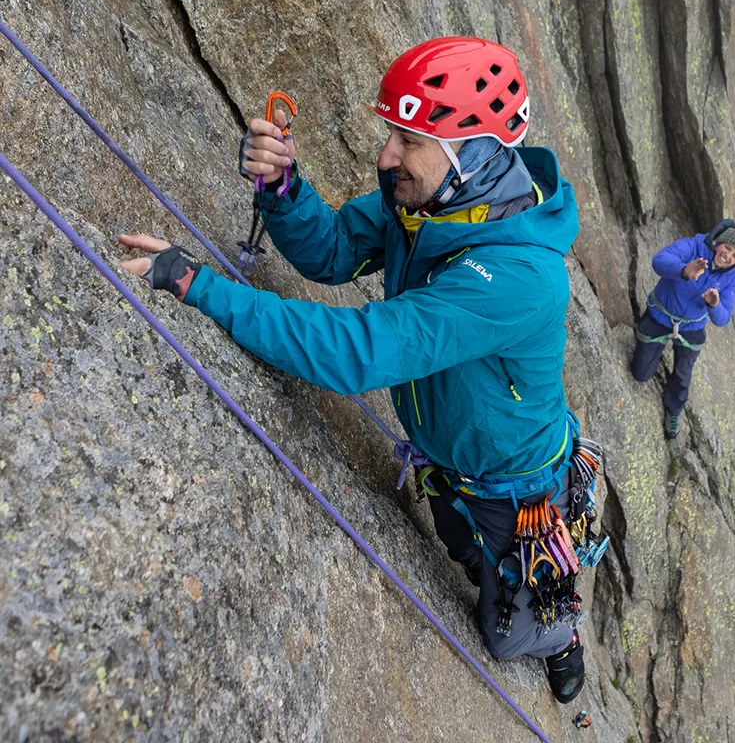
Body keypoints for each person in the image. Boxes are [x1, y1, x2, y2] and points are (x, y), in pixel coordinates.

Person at [118, 37, 589, 703]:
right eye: (392, 134)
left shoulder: (520, 278)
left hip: (512, 488)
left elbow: (356, 352)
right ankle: (494, 579)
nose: (385, 156)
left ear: (475, 154)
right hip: (448, 458)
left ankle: (563, 638)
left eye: (410, 141)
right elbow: (335, 251)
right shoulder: (428, 204)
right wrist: (283, 189)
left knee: (507, 628)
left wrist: (200, 286)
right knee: (459, 548)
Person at [631, 220, 735, 440]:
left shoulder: (732, 275)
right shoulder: (694, 246)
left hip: (692, 326)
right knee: (640, 374)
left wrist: (714, 304)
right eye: (728, 248)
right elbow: (659, 260)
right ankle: (651, 352)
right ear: (720, 242)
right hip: (661, 314)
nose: (728, 256)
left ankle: (673, 409)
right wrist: (684, 270)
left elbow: (724, 318)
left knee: (683, 374)